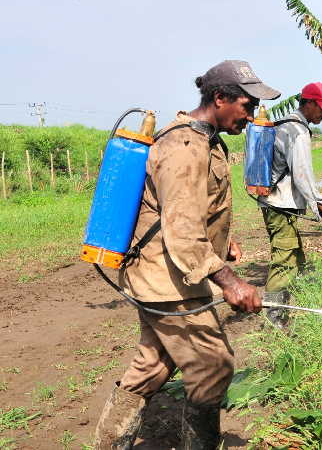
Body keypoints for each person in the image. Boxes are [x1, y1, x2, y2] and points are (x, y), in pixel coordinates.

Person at [94, 60, 280, 450]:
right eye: (248, 106)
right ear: (220, 98)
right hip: (166, 279)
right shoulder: (182, 148)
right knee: (213, 365)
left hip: (172, 273)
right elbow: (181, 231)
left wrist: (221, 243)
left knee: (153, 365)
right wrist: (231, 283)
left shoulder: (208, 140)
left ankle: (108, 443)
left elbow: (189, 211)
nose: (252, 116)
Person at [258, 82, 322, 328]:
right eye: (321, 108)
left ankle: (292, 308)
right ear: (308, 103)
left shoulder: (286, 124)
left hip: (277, 204)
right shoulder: (296, 132)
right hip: (279, 206)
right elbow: (303, 177)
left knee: (296, 259)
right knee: (285, 261)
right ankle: (272, 322)